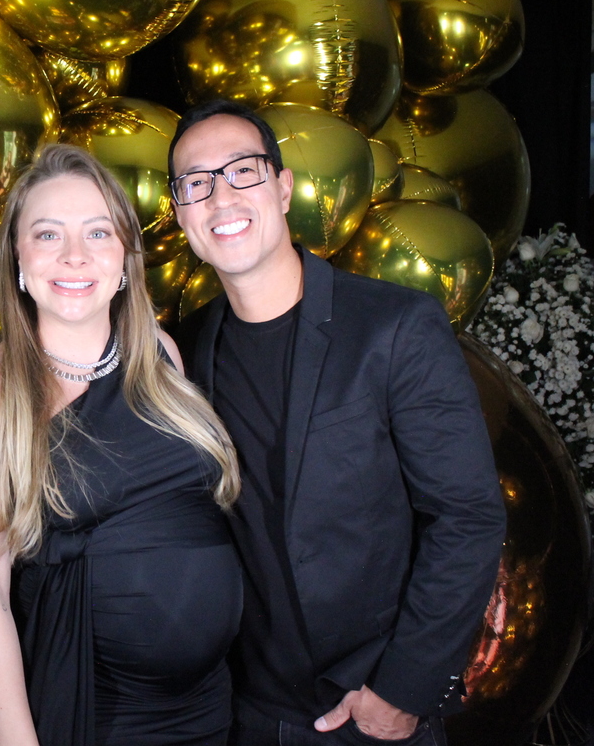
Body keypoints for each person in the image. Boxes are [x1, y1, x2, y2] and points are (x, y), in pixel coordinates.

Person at [167, 99, 506, 745]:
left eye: (242, 171)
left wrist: (402, 692)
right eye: (196, 183)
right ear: (181, 212)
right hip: (242, 711)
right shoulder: (186, 351)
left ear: (283, 187)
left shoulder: (394, 326)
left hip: (369, 711)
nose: (221, 197)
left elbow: (467, 516)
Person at [0, 142, 243, 745]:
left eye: (98, 233)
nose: (75, 255)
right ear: (18, 257)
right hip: (94, 712)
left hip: (210, 707)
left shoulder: (160, 354)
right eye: (48, 234)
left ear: (126, 257)